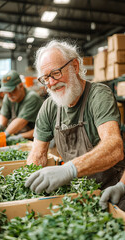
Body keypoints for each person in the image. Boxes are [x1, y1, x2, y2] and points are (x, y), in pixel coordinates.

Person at [25, 40, 125, 210]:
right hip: (80, 193)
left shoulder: (98, 96)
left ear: (75, 66)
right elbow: (37, 155)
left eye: (55, 73)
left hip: (114, 189)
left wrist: (69, 170)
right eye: (45, 78)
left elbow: (114, 147)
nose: (51, 83)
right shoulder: (49, 107)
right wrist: (29, 188)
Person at [0, 70, 43, 140]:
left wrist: (4, 134)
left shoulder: (32, 97)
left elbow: (21, 122)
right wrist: (0, 124)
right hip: (23, 136)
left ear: (21, 86)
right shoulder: (9, 96)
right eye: (6, 92)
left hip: (37, 138)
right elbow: (4, 114)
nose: (9, 95)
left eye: (12, 91)